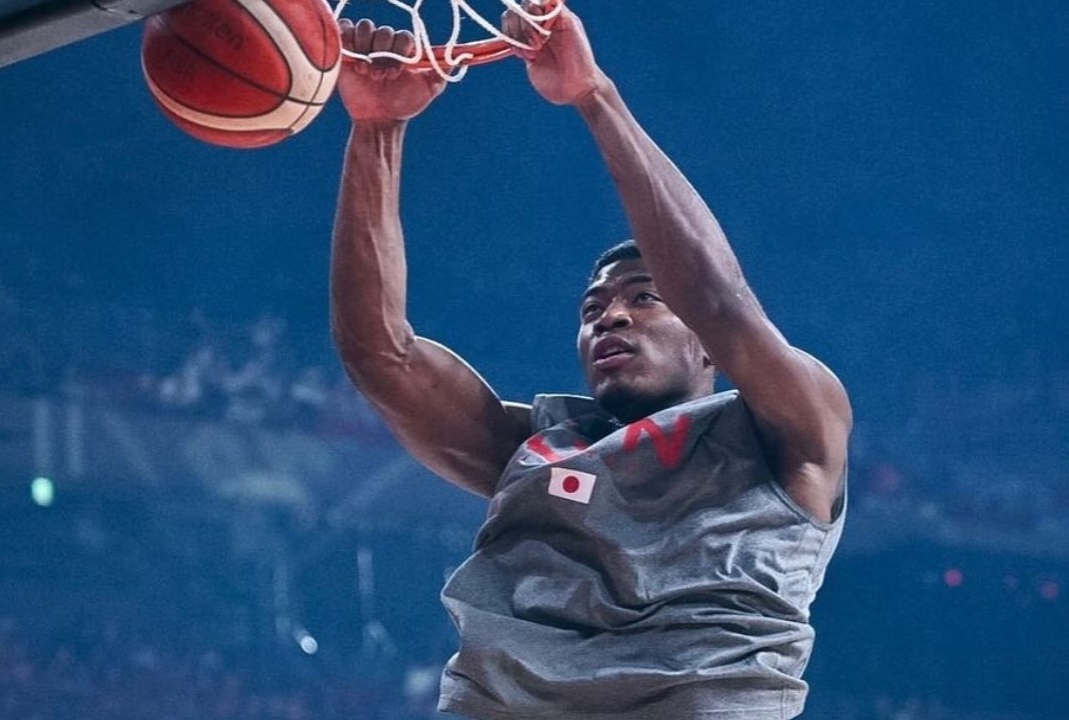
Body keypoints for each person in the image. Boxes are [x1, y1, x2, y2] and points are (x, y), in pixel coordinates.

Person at [331, 5, 851, 719]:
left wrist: (593, 96)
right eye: (592, 309)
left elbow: (720, 300)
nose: (610, 314)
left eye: (644, 298)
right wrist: (377, 129)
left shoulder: (790, 424)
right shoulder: (533, 444)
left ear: (702, 341)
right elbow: (380, 356)